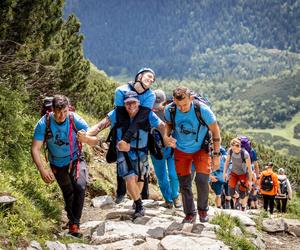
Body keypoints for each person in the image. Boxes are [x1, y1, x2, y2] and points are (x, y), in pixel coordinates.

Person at [78, 91, 164, 220]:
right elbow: (100, 126)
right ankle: (139, 205)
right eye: (127, 103)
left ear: (138, 102)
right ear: (124, 104)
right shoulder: (116, 113)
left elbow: (161, 126)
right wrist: (87, 134)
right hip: (122, 152)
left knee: (140, 179)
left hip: (142, 151)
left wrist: (167, 137)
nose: (130, 106)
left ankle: (136, 199)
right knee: (129, 178)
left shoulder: (147, 114)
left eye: (133, 102)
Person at [31, 95, 89, 237]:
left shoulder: (74, 118)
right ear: (53, 110)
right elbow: (35, 149)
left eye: (65, 111)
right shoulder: (44, 123)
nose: (62, 115)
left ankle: (75, 224)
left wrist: (89, 138)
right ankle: (72, 223)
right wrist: (42, 169)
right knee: (68, 192)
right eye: (58, 112)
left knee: (80, 187)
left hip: (75, 158)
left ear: (68, 109)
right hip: (57, 163)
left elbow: (89, 131)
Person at [164, 86, 221, 223]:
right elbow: (169, 125)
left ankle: (203, 210)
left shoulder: (203, 110)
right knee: (184, 183)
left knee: (201, 180)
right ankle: (189, 213)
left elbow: (215, 132)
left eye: (184, 105)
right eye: (179, 105)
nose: (181, 108)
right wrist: (166, 137)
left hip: (201, 149)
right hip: (180, 149)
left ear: (191, 98)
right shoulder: (170, 109)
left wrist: (216, 155)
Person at [114, 68, 156, 203]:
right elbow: (122, 117)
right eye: (148, 76)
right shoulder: (121, 91)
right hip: (123, 131)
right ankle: (121, 193)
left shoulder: (150, 95)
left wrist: (127, 139)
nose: (150, 80)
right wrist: (125, 140)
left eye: (152, 79)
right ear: (139, 75)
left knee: (141, 168)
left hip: (141, 135)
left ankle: (141, 198)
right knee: (123, 164)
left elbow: (141, 118)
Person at [150, 89, 181, 209]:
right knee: (162, 177)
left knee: (173, 175)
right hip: (156, 150)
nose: (156, 108)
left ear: (165, 103)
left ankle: (175, 196)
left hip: (172, 149)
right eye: (154, 106)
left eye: (159, 106)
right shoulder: (147, 113)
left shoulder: (172, 112)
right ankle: (168, 200)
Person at [223, 138, 253, 212]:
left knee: (243, 194)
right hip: (233, 173)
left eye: (234, 148)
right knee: (230, 192)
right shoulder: (230, 151)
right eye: (232, 147)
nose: (233, 149)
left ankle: (240, 203)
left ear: (238, 146)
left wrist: (250, 181)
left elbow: (249, 169)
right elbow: (227, 162)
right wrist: (225, 173)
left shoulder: (245, 154)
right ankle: (236, 198)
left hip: (243, 174)